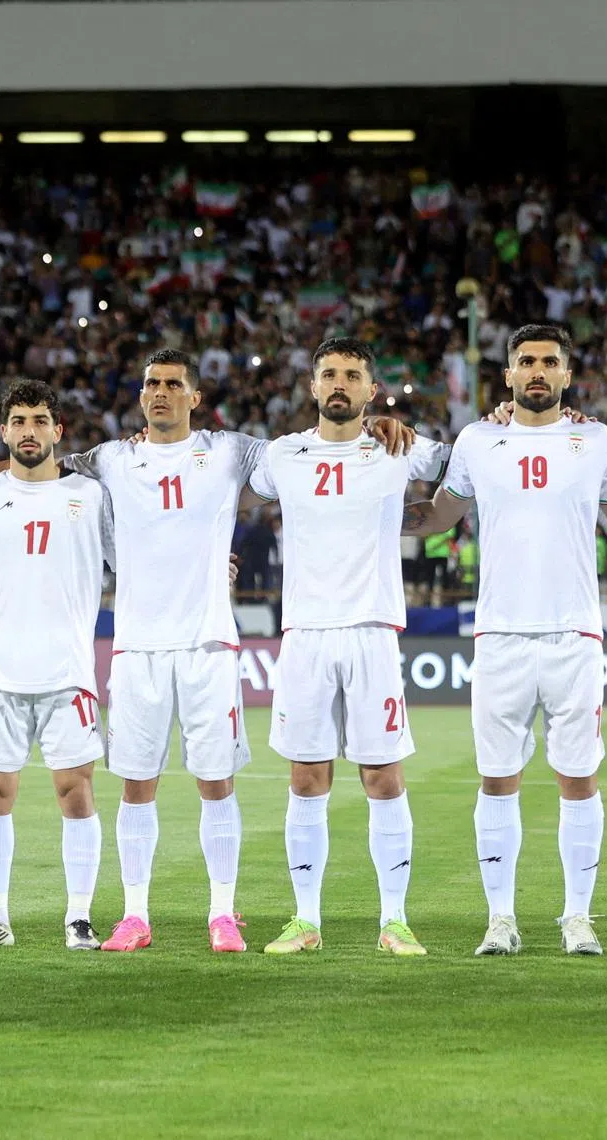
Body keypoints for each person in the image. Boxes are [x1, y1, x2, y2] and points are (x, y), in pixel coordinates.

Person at [0, 348, 412, 953]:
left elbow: (316, 444)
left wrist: (374, 426)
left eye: (173, 384)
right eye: (151, 384)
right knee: (136, 784)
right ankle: (135, 915)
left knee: (215, 781)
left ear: (195, 397)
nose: (161, 392)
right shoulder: (111, 460)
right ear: (141, 396)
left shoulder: (232, 451)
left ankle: (222, 912)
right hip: (138, 646)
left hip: (209, 644)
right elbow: (35, 463)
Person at [405, 324, 607, 956]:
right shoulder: (477, 441)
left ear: (567, 376)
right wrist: (360, 497)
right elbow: (437, 516)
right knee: (497, 779)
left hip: (574, 634)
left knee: (579, 780)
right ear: (508, 375)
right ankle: (501, 919)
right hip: (500, 636)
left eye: (549, 362)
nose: (537, 371)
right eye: (526, 362)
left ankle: (577, 917)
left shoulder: (593, 440)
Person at [248, 336, 448, 956]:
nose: (339, 384)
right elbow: (215, 480)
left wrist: (502, 418)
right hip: (305, 632)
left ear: (371, 389)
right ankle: (305, 921)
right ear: (312, 387)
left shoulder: (400, 449)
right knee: (307, 777)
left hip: (372, 632)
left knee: (382, 776)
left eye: (352, 375)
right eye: (329, 374)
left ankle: (395, 921)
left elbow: (471, 463)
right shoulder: (281, 456)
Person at [0, 379, 111, 952]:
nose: (28, 431)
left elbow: (135, 556)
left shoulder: (91, 497)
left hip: (69, 671)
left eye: (40, 420)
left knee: (75, 791)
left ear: (57, 431)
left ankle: (79, 918)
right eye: (18, 421)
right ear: (3, 432)